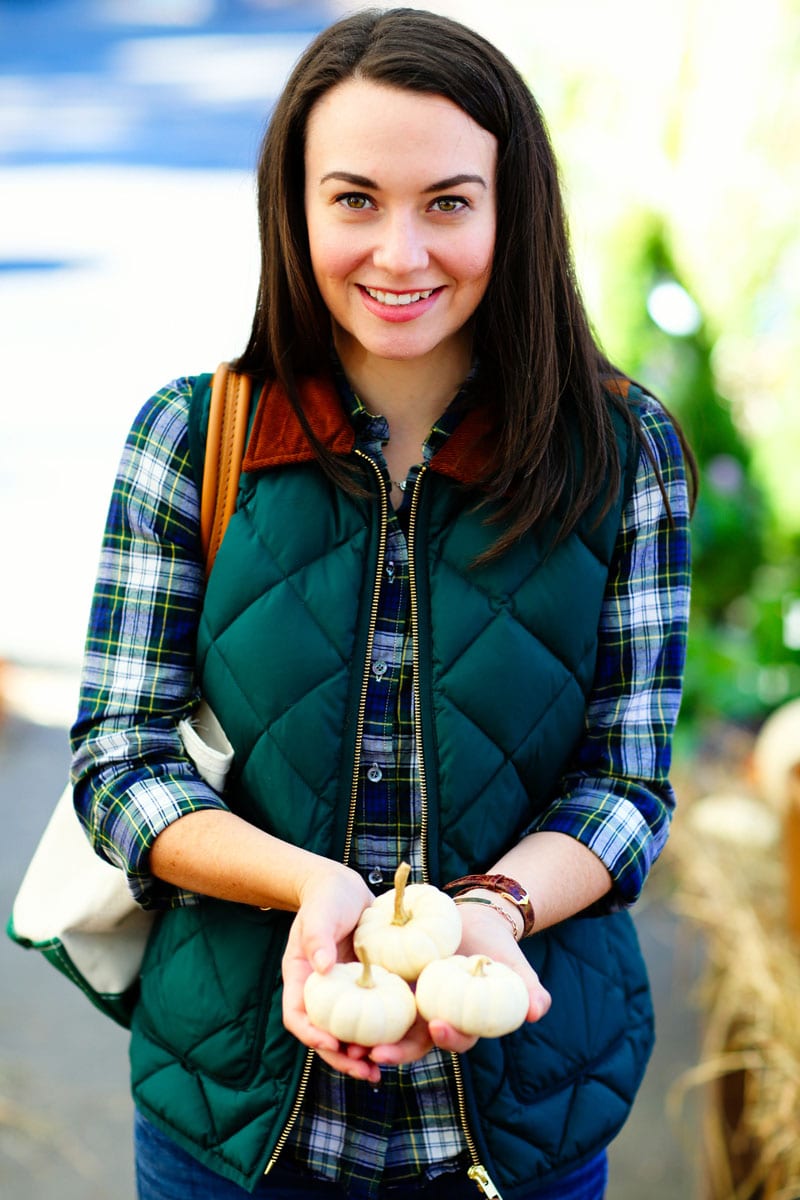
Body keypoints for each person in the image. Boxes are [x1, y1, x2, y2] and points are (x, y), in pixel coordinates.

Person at [70, 7, 694, 1199]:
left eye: (447, 202)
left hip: (524, 1105)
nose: (400, 253)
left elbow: (624, 785)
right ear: (293, 208)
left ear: (513, 213)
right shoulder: (195, 436)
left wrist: (495, 914)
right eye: (354, 200)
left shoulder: (623, 450)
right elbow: (117, 761)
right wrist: (313, 889)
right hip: (236, 1114)